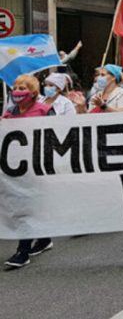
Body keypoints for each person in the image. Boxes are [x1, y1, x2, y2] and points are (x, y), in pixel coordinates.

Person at [3, 75, 55, 268]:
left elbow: (56, 136)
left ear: (33, 92)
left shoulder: (45, 110)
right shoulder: (9, 114)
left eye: (22, 87)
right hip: (16, 169)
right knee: (26, 205)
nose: (17, 90)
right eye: (15, 87)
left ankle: (22, 251)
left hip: (37, 167)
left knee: (27, 206)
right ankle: (43, 239)